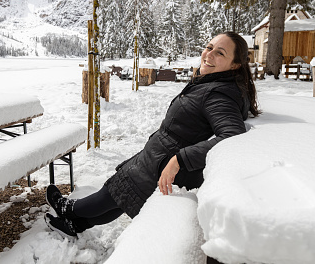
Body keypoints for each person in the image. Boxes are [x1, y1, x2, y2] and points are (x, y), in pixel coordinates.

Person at [45, 31, 260, 239]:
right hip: (159, 155)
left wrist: (180, 159)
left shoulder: (219, 94)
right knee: (121, 196)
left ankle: (68, 209)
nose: (209, 54)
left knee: (112, 193)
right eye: (209, 47)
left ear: (235, 65)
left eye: (220, 53)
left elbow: (231, 137)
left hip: (165, 164)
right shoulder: (216, 83)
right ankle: (76, 223)